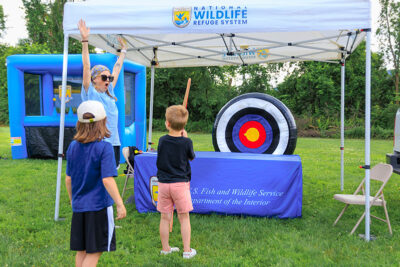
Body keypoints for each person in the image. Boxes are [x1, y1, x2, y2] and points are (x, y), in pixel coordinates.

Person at [65, 100, 127, 267]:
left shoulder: (72, 146)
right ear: (103, 122)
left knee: (82, 250)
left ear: (79, 123)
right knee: (94, 252)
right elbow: (107, 179)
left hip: (79, 207)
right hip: (99, 208)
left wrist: (73, 200)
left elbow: (68, 179)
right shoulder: (104, 148)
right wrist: (120, 204)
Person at [78, 19, 126, 168]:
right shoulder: (90, 92)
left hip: (114, 142)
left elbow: (117, 68)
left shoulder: (109, 91)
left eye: (109, 78)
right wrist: (85, 40)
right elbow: (86, 66)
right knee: (98, 175)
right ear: (94, 79)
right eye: (104, 77)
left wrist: (123, 51)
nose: (108, 80)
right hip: (97, 141)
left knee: (110, 175)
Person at [156, 105, 196, 259]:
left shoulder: (161, 140)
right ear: (184, 126)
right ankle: (187, 251)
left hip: (164, 184)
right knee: (184, 217)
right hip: (180, 184)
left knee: (165, 217)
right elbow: (191, 157)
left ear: (167, 123)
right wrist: (185, 138)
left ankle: (165, 249)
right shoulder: (186, 142)